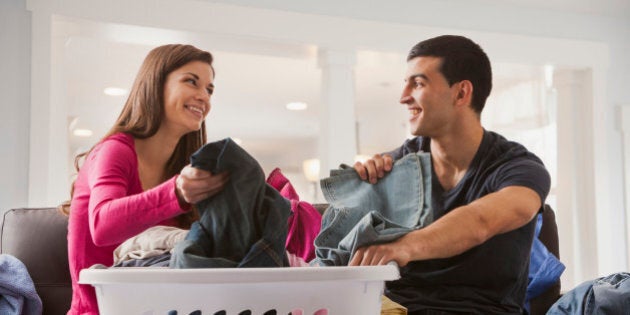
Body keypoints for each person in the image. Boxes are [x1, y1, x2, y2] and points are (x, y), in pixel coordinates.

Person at [350, 35, 551, 314]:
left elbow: (481, 220)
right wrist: (362, 189)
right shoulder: (395, 166)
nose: (403, 97)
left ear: (461, 93)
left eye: (418, 83)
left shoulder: (519, 168)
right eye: (405, 83)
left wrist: (406, 247)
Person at [59, 44, 229, 315]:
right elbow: (102, 226)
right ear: (155, 85)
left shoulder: (183, 173)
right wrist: (175, 193)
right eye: (191, 82)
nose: (203, 97)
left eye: (209, 89)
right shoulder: (114, 152)